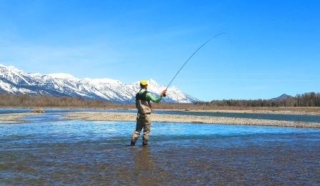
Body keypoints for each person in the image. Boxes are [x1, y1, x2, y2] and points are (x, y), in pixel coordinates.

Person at [130, 80, 167, 146]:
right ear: (146, 85)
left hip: (139, 114)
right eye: (147, 85)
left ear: (140, 85)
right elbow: (156, 100)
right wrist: (161, 95)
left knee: (137, 131)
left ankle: (132, 145)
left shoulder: (137, 95)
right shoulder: (147, 94)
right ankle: (144, 147)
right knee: (146, 132)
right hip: (147, 115)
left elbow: (136, 105)